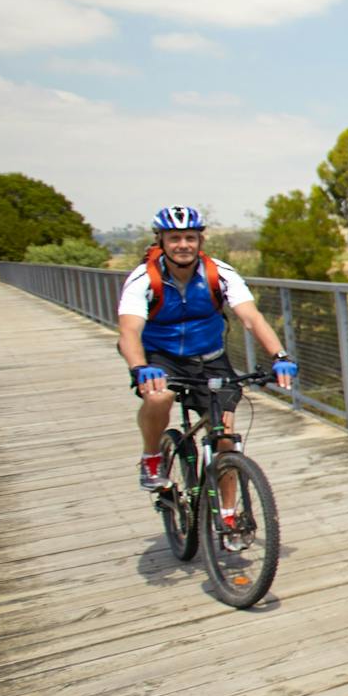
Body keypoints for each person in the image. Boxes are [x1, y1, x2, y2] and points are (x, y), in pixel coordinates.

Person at [118, 206, 297, 521]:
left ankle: (228, 515)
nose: (183, 245)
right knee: (159, 396)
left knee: (225, 439)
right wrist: (140, 367)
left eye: (190, 238)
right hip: (162, 358)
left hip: (211, 358)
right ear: (161, 241)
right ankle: (152, 456)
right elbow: (130, 331)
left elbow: (251, 318)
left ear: (200, 240)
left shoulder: (219, 273)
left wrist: (279, 356)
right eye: (175, 238)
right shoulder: (144, 278)